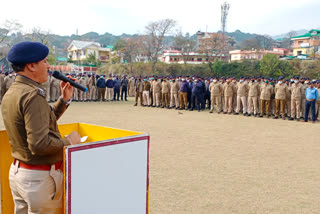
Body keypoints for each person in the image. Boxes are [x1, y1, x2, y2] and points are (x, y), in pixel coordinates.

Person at [1, 41, 81, 214]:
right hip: (38, 179)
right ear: (31, 66)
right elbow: (39, 144)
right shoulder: (32, 95)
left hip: (20, 173)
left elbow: (40, 121)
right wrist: (69, 141)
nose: (48, 65)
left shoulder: (15, 91)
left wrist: (63, 100)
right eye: (44, 61)